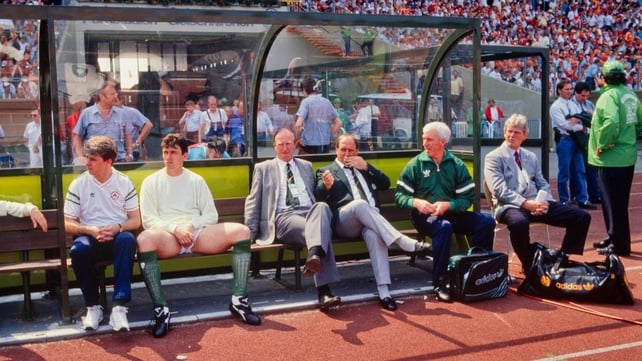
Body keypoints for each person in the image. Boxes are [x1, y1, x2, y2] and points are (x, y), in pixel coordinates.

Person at [137, 133, 260, 338]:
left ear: (184, 155)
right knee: (144, 239)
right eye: (165, 152)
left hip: (198, 235)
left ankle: (239, 301)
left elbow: (211, 214)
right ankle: (161, 309)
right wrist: (175, 229)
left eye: (174, 152)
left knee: (242, 231)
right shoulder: (151, 182)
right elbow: (148, 220)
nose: (169, 157)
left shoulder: (195, 180)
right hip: (168, 237)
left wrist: (190, 225)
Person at [314, 134, 425, 311]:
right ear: (336, 149)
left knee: (374, 234)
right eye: (343, 149)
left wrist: (366, 166)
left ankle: (384, 292)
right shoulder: (326, 170)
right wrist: (325, 186)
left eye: (351, 150)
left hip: (371, 222)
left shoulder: (364, 168)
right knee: (360, 204)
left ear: (357, 151)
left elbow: (385, 183)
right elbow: (318, 198)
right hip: (346, 222)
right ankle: (400, 240)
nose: (346, 153)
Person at [395, 121, 495, 302]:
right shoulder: (415, 165)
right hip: (424, 218)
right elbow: (400, 196)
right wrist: (416, 202)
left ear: (442, 141)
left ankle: (477, 272)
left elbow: (467, 199)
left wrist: (449, 205)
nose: (425, 143)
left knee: (486, 222)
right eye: (424, 138)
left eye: (429, 139)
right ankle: (440, 281)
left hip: (452, 214)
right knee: (444, 227)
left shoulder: (457, 165)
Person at [245, 128, 341, 310]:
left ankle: (314, 255)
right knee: (320, 230)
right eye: (280, 144)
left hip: (309, 212)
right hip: (285, 217)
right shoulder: (263, 168)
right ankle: (324, 291)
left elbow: (315, 194)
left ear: (295, 144)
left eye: (289, 143)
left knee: (322, 207)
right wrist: (248, 233)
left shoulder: (305, 166)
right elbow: (253, 200)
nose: (285, 147)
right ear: (274, 146)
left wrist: (327, 187)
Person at [484, 114, 591, 273]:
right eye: (509, 131)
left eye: (517, 132)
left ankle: (562, 258)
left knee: (581, 217)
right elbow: (500, 190)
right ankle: (529, 263)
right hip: (509, 205)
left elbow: (542, 183)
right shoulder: (494, 157)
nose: (512, 135)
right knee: (518, 223)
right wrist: (526, 204)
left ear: (525, 136)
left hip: (535, 202)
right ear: (504, 132)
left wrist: (544, 201)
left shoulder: (530, 156)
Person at [64, 136, 140, 332]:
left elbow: (135, 220)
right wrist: (88, 229)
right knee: (78, 250)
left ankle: (119, 309)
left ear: (108, 161)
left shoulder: (124, 182)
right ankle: (92, 308)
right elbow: (66, 222)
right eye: (87, 157)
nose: (87, 163)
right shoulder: (79, 184)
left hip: (116, 236)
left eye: (93, 159)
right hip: (89, 236)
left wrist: (117, 227)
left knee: (127, 240)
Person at [588, 61, 642, 256]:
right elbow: (639, 122)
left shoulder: (608, 96)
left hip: (610, 158)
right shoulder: (630, 95)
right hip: (626, 156)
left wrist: (603, 143)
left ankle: (619, 244)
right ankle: (614, 236)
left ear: (603, 78)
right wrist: (629, 136)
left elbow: (611, 122)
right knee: (619, 202)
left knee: (612, 202)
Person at [550, 79, 595, 210]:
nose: (569, 91)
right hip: (565, 139)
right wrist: (579, 127)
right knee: (564, 172)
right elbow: (564, 124)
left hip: (577, 140)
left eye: (570, 89)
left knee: (580, 170)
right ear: (559, 90)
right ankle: (564, 199)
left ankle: (582, 199)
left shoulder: (572, 104)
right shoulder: (556, 106)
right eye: (567, 89)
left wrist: (578, 121)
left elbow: (582, 118)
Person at [73, 83, 134, 164]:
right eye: (112, 94)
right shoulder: (87, 113)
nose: (115, 96)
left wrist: (130, 155)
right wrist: (81, 157)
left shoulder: (121, 113)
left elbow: (127, 135)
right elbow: (77, 137)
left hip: (119, 160)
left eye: (116, 93)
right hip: (94, 161)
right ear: (102, 96)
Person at [568, 81, 601, 204]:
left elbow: (596, 120)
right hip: (575, 139)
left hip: (589, 139)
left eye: (587, 96)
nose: (585, 98)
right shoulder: (569, 104)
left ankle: (594, 195)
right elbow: (572, 121)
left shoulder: (590, 104)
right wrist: (584, 117)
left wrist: (583, 117)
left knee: (591, 168)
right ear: (575, 93)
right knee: (576, 170)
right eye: (582, 96)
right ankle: (575, 195)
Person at [294, 77, 341, 154]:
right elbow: (338, 123)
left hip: (309, 144)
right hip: (325, 144)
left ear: (304, 90)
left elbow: (298, 125)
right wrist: (328, 135)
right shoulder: (327, 102)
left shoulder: (306, 102)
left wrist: (297, 139)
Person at [115, 95, 153, 162]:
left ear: (121, 101)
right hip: (114, 151)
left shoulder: (131, 112)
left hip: (131, 151)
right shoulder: (107, 113)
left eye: (116, 101)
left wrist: (137, 143)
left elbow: (148, 125)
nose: (114, 104)